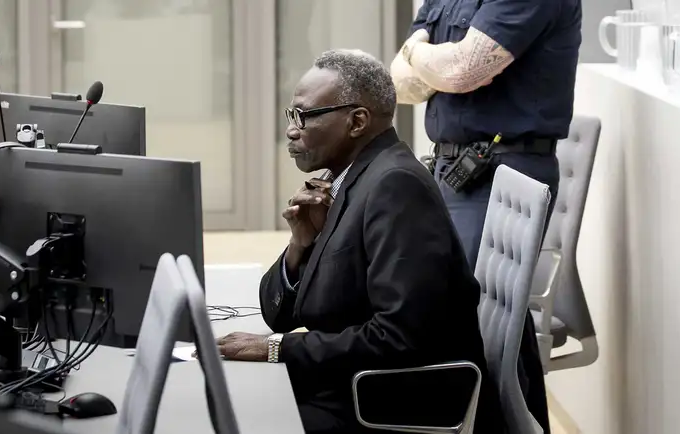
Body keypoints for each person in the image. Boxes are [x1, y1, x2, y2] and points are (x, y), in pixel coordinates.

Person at [214, 49, 503, 434]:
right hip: (349, 384)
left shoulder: (395, 187)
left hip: (384, 404)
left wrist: (277, 348)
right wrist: (302, 244)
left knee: (229, 418)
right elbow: (277, 314)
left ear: (357, 122)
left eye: (305, 116)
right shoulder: (346, 181)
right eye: (291, 115)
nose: (292, 130)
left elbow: (399, 336)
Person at [391, 1, 582, 431]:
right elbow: (402, 86)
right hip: (452, 170)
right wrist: (433, 63)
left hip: (502, 172)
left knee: (473, 322)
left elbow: (462, 70)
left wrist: (416, 52)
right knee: (488, 322)